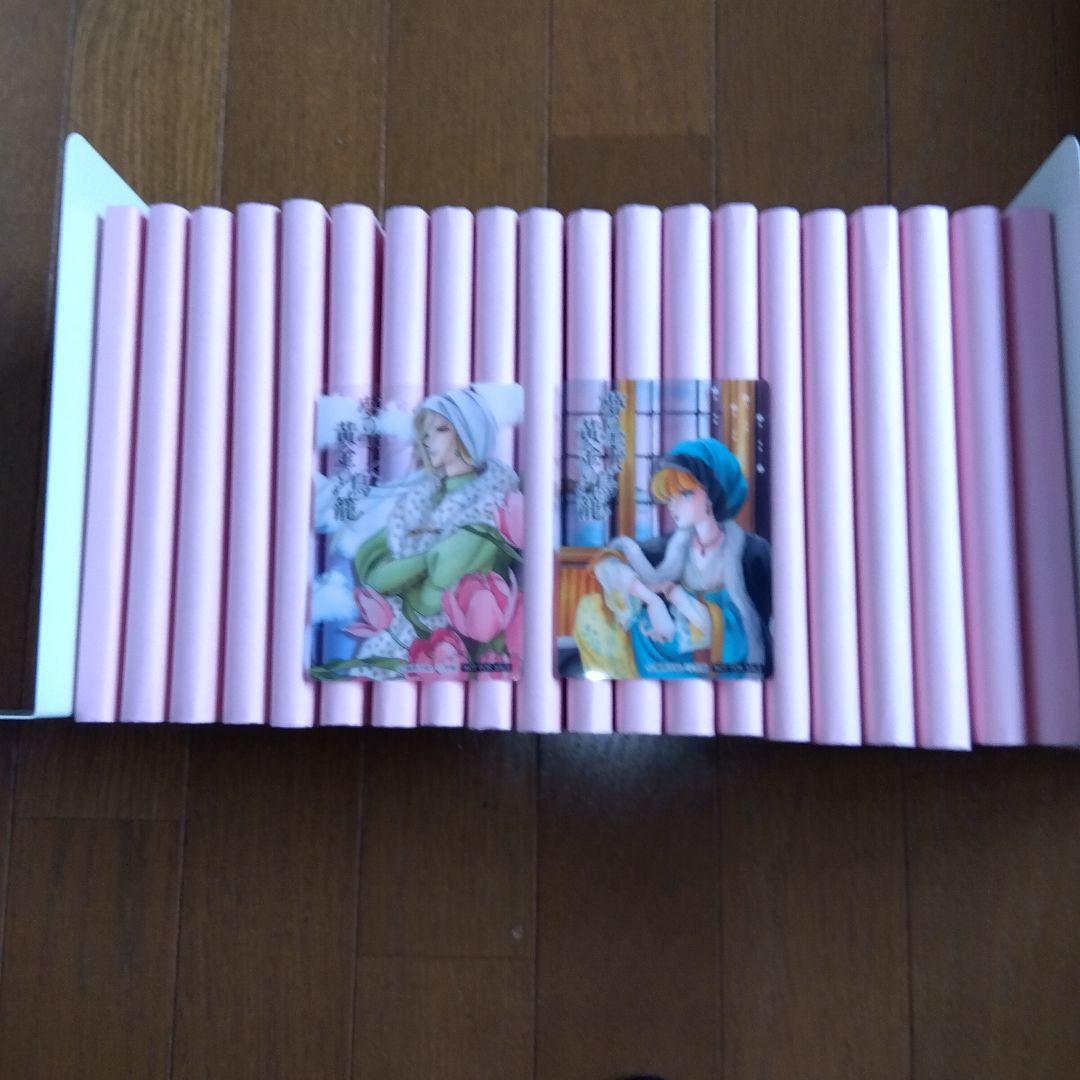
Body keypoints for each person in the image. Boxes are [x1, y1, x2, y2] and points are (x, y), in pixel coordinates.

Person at [344, 384, 522, 676]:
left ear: (469, 432)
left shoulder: (492, 502)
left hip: (441, 647)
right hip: (394, 639)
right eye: (425, 432)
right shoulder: (417, 500)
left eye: (440, 429)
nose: (428, 439)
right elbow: (372, 575)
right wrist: (424, 562)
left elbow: (429, 599)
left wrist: (402, 573)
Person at [573, 437, 771, 680]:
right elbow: (609, 562)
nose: (673, 506)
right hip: (663, 646)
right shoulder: (673, 545)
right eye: (669, 497)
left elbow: (749, 627)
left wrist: (677, 596)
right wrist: (652, 601)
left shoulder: (752, 552)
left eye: (685, 494)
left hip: (723, 657)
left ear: (712, 496)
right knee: (592, 610)